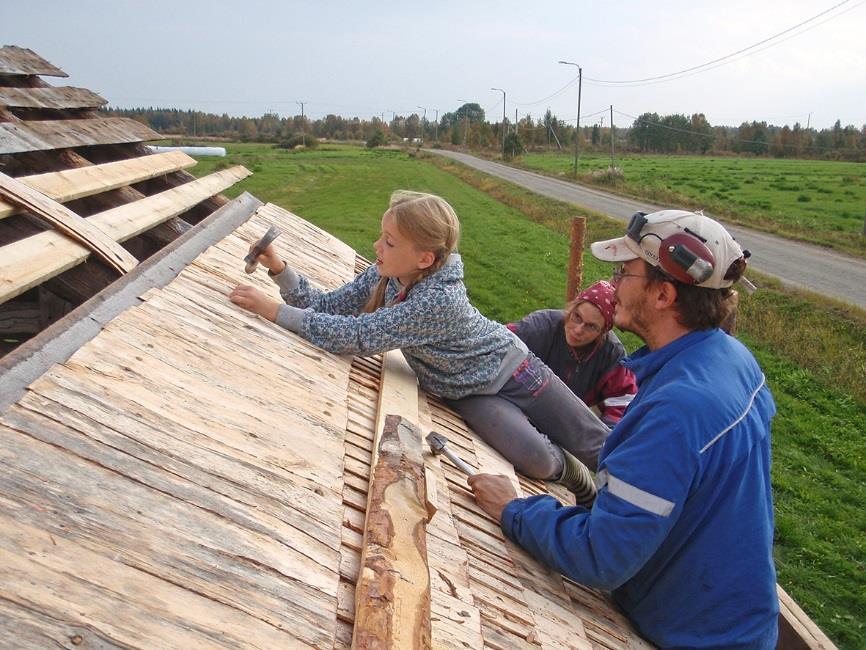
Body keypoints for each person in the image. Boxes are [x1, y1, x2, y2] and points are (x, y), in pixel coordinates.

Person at [468, 209, 779, 649]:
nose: (613, 285)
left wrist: (514, 510)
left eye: (624, 272)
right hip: (733, 621)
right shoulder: (730, 359)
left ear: (663, 295)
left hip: (690, 635)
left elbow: (603, 555)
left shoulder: (678, 411)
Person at [229, 190, 609, 505]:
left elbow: (356, 336)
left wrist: (274, 311)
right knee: (538, 461)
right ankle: (578, 479)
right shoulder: (390, 274)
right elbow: (329, 309)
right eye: (382, 236)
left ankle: (649, 517)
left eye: (389, 242)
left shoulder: (436, 301)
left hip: (514, 371)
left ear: (425, 258)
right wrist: (280, 270)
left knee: (597, 444)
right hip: (465, 392)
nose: (377, 246)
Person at [507, 280, 638, 426]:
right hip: (515, 405)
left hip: (565, 424)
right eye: (577, 317)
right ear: (571, 309)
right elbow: (497, 342)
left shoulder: (612, 355)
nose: (578, 330)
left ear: (603, 333)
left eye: (591, 326)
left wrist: (605, 439)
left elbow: (622, 402)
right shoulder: (541, 326)